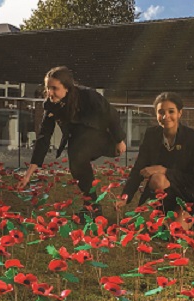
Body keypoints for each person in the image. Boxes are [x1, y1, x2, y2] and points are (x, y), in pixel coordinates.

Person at [17, 66, 127, 217]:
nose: (50, 93)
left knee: (78, 147)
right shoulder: (51, 105)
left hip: (105, 139)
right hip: (80, 145)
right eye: (48, 88)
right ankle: (92, 208)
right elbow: (43, 137)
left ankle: (92, 208)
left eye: (54, 88)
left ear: (67, 88)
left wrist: (119, 140)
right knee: (76, 159)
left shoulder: (88, 96)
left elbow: (111, 114)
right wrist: (28, 174)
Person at [115, 92, 194, 229]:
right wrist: (125, 197)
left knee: (176, 231)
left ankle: (179, 215)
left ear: (180, 113)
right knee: (157, 179)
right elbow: (139, 168)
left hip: (190, 193)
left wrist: (164, 170)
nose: (165, 116)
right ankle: (163, 212)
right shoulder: (151, 135)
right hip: (166, 192)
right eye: (161, 112)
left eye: (171, 111)